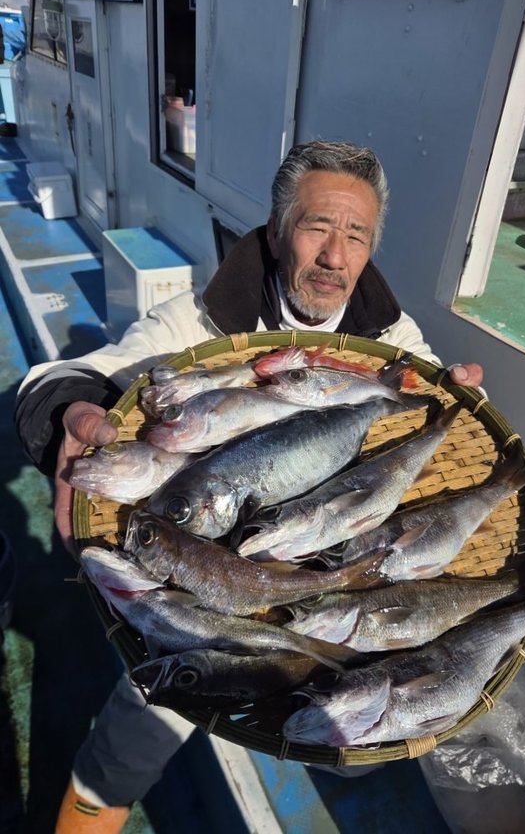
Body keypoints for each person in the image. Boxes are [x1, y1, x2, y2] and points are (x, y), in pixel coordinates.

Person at [15, 140, 483, 832]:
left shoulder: (397, 344)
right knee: (133, 731)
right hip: (191, 584)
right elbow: (64, 379)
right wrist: (65, 416)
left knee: (348, 737)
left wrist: (458, 405)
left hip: (323, 593)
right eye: (318, 226)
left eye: (356, 234)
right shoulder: (196, 329)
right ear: (276, 231)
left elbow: (433, 432)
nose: (335, 255)